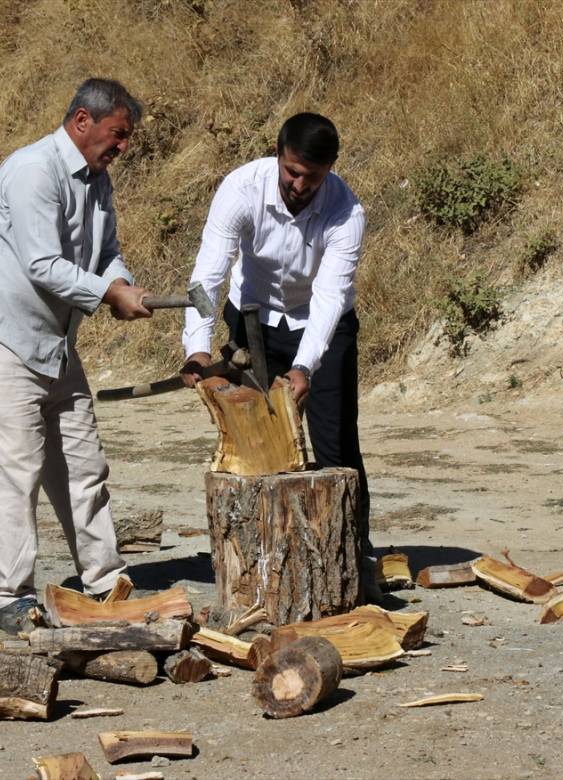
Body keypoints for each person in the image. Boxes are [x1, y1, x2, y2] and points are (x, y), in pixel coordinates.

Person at [0, 78, 151, 635]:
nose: (122, 146)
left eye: (125, 137)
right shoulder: (34, 169)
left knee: (84, 467)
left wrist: (121, 281)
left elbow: (106, 253)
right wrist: (109, 295)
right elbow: (42, 263)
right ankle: (11, 596)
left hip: (54, 346)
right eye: (117, 134)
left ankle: (104, 581)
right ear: (82, 121)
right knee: (16, 475)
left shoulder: (97, 180)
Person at [179, 112, 379, 599]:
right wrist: (198, 348)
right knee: (256, 444)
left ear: (329, 169)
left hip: (320, 328)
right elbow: (209, 275)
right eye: (291, 171)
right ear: (278, 156)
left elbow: (331, 297)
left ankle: (353, 562)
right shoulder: (241, 190)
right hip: (253, 320)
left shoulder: (345, 211)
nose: (299, 184)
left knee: (336, 449)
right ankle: (264, 568)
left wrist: (305, 366)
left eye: (312, 176)